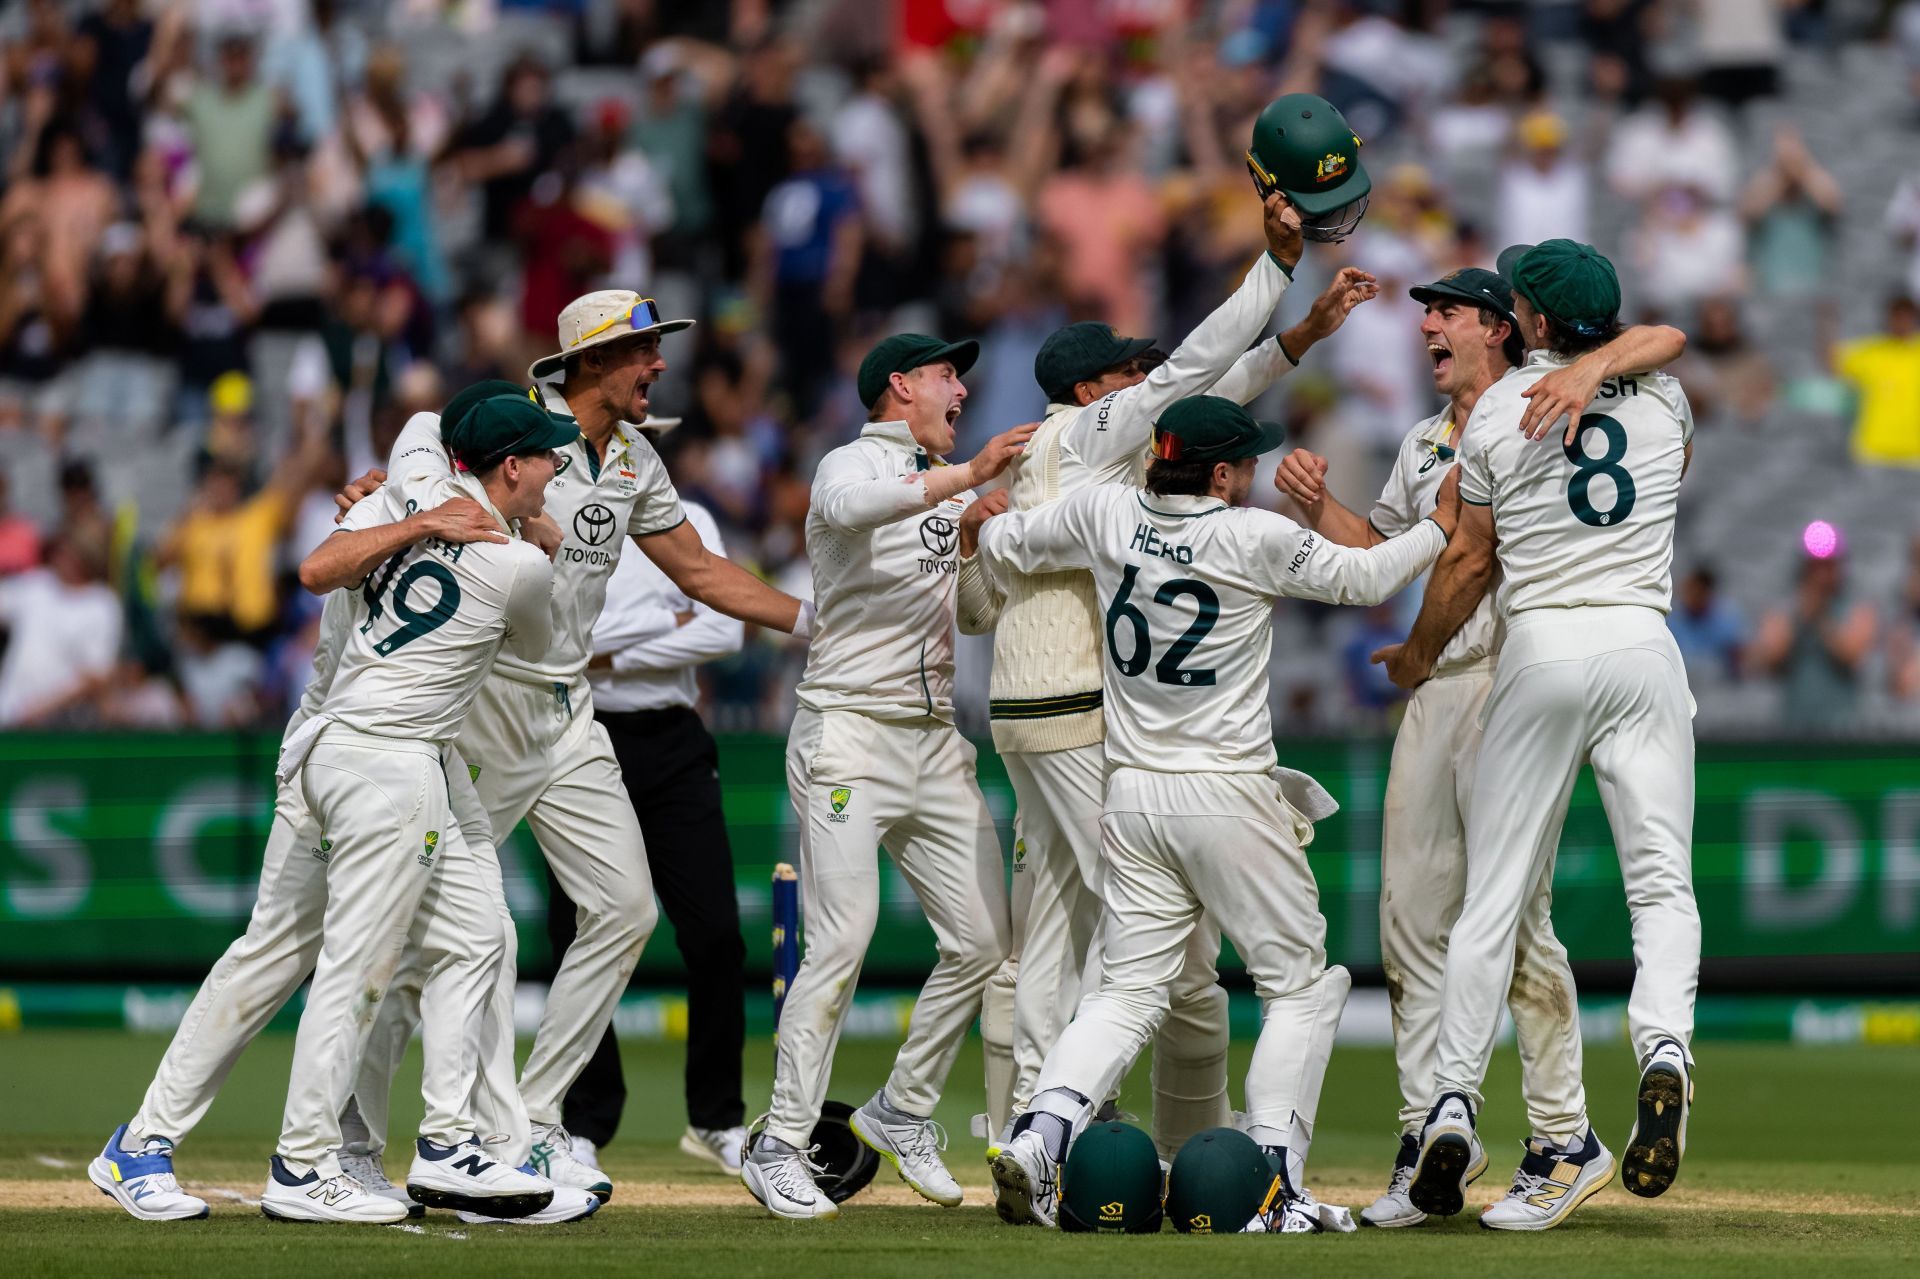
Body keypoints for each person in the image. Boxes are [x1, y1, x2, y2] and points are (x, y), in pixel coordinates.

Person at [343, 293, 813, 1206]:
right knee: (418, 937)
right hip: (483, 708)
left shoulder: (635, 454)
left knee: (626, 908)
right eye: (644, 350)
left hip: (569, 713)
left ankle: (540, 1121)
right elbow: (418, 473)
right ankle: (353, 1139)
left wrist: (814, 625)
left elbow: (700, 571)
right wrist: (374, 494)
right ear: (594, 360)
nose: (660, 366)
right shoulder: (516, 428)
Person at [86, 388, 585, 1225]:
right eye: (544, 456)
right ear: (504, 464)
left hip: (360, 742)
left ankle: (449, 1145)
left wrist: (409, 510)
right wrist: (521, 542)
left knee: (475, 934)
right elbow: (541, 645)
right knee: (345, 964)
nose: (557, 467)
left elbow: (374, 501)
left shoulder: (405, 481)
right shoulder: (486, 544)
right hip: (378, 754)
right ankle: (305, 1161)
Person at [977, 395, 1459, 1234]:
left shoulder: (1105, 510)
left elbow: (1010, 541)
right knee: (1300, 985)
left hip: (1129, 794)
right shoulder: (1251, 536)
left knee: (1125, 991)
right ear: (1225, 472)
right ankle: (1273, 1179)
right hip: (1225, 789)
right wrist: (1442, 527)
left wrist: (986, 523)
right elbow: (1367, 576)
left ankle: (1039, 1129)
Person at [1274, 266, 1685, 1228]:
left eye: (1448, 312)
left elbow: (1470, 558)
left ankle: (1560, 1136)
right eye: (1426, 314)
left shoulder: (1527, 411)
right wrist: (1311, 511)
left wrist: (1416, 652)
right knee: (1412, 922)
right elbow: (1384, 558)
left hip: (1515, 671)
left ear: (1506, 330)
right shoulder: (1423, 443)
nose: (1429, 326)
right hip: (1442, 691)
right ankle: (1429, 1139)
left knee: (1517, 924)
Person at [978, 184, 1377, 1158]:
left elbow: (1209, 401)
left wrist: (1307, 336)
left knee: (1055, 927)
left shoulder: (1049, 451)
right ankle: (1117, 1138)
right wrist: (1279, 270)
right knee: (1168, 961)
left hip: (1023, 707)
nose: (1145, 381)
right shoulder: (1098, 434)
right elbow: (1201, 371)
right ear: (1091, 390)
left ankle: (1024, 1125)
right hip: (1079, 709)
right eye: (1128, 373)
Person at [1387, 240, 1699, 1229]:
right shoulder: (1669, 401)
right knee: (1662, 881)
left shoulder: (1490, 416)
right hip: (1645, 645)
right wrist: (1605, 368)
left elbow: (1471, 561)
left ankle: (1452, 1100)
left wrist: (1419, 654)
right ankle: (1664, 1051)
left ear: (1529, 318)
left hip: (1544, 646)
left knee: (1494, 897)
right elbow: (1665, 347)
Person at [740, 334, 1030, 1221]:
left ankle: (901, 1107)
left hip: (935, 739)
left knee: (986, 944)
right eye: (948, 375)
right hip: (850, 736)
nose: (964, 386)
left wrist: (976, 537)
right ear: (901, 385)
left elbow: (971, 611)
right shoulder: (847, 465)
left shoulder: (942, 492)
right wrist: (969, 478)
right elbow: (861, 507)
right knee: (840, 940)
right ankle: (781, 1142)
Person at [550, 416, 750, 1176]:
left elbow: (722, 635)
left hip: (669, 737)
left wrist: (609, 645)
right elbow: (561, 638)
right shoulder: (563, 513)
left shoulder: (689, 520)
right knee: (576, 931)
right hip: (577, 730)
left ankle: (717, 1117)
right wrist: (659, 623)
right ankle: (582, 1122)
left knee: (716, 934)